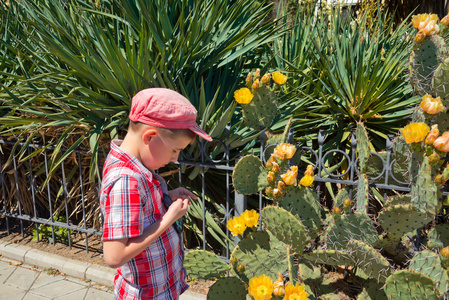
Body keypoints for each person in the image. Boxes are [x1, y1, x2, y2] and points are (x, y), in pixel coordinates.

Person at [100, 88, 212, 299]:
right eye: (174, 150)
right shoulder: (126, 180)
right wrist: (168, 219)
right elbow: (114, 256)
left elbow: (141, 210)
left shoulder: (135, 170)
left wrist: (167, 195)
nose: (175, 159)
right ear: (150, 137)